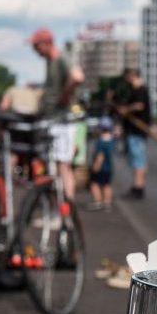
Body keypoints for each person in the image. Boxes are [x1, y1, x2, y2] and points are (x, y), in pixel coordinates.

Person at [31, 28, 84, 203]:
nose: (35, 51)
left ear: (46, 43)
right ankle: (59, 209)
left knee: (62, 166)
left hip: (62, 121)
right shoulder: (50, 61)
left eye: (36, 46)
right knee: (54, 166)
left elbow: (77, 77)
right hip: (54, 120)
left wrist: (64, 96)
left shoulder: (61, 58)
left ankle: (64, 211)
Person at [112, 67, 152, 199]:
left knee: (138, 160)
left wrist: (126, 109)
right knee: (136, 160)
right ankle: (137, 186)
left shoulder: (140, 90)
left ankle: (138, 187)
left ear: (132, 76)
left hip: (137, 130)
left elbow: (139, 105)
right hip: (133, 131)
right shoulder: (135, 90)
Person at [87, 111, 116, 212]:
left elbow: (100, 156)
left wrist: (96, 166)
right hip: (109, 167)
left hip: (101, 167)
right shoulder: (111, 140)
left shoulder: (101, 141)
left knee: (94, 183)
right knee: (107, 185)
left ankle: (98, 201)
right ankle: (107, 203)